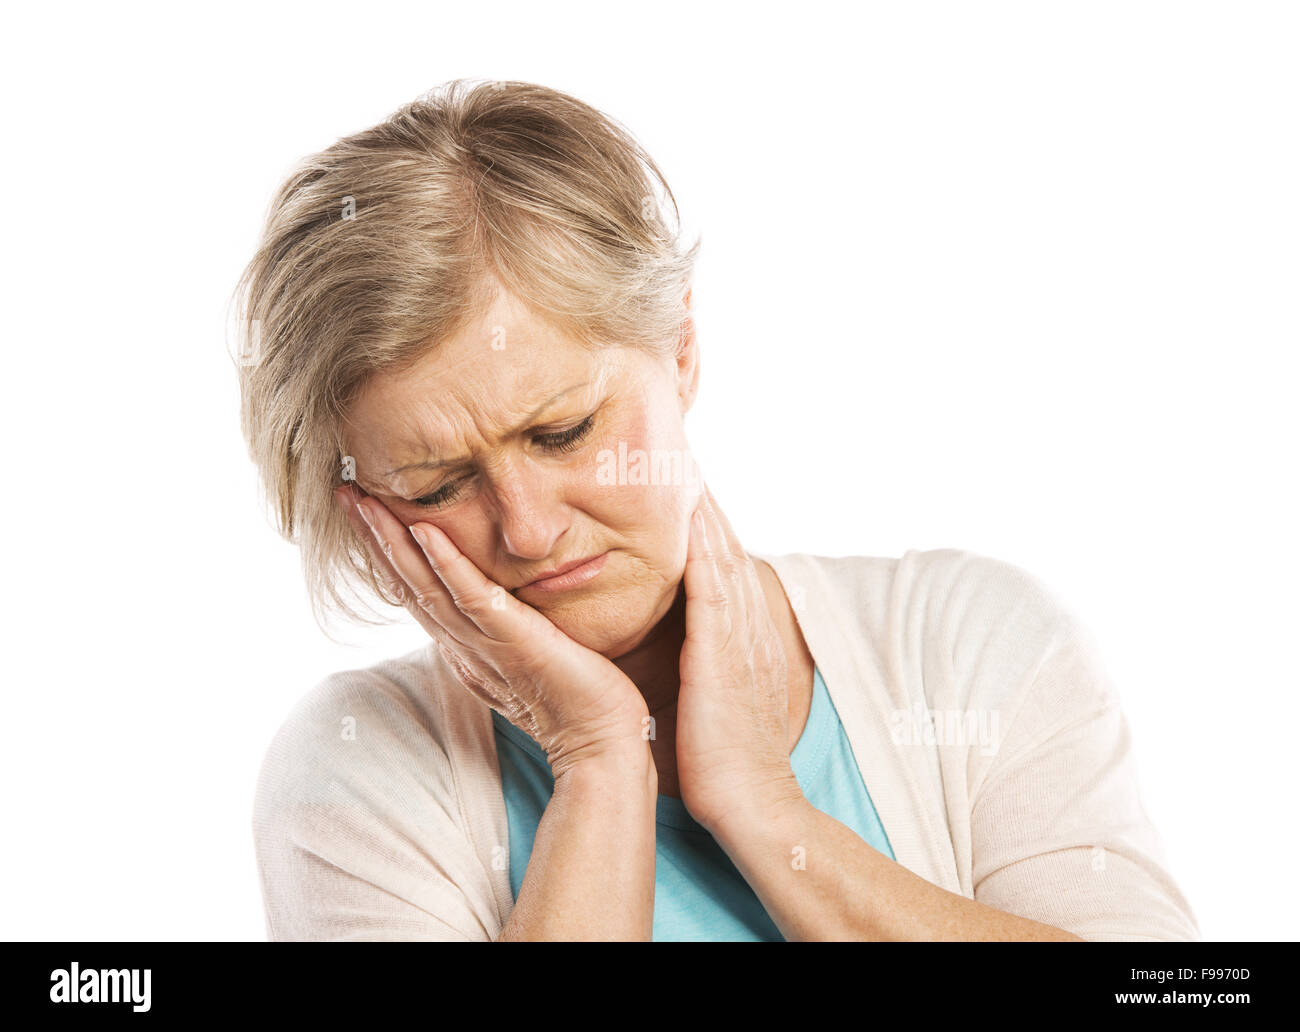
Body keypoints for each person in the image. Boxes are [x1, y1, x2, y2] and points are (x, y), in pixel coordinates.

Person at [235, 78, 1199, 941]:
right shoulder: (356, 776)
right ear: (364, 509)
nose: (527, 529)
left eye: (563, 430)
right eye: (438, 486)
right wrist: (598, 760)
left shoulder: (969, 646)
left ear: (682, 348)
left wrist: (766, 809)